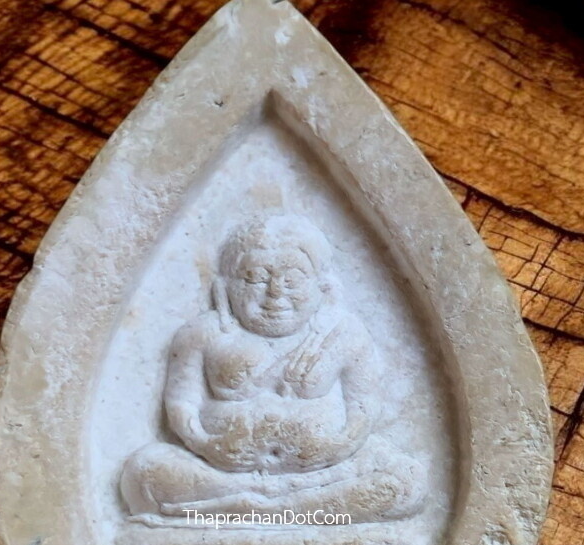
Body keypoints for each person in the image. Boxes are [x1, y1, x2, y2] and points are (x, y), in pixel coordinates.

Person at [120, 214, 423, 525]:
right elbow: (182, 403)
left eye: (293, 280)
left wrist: (337, 447)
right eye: (256, 278)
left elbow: (364, 408)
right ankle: (280, 508)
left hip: (322, 475)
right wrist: (205, 444)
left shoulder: (344, 334)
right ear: (226, 288)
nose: (275, 293)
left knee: (404, 479)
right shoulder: (202, 334)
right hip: (222, 475)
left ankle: (253, 509)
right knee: (145, 470)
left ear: (323, 288)